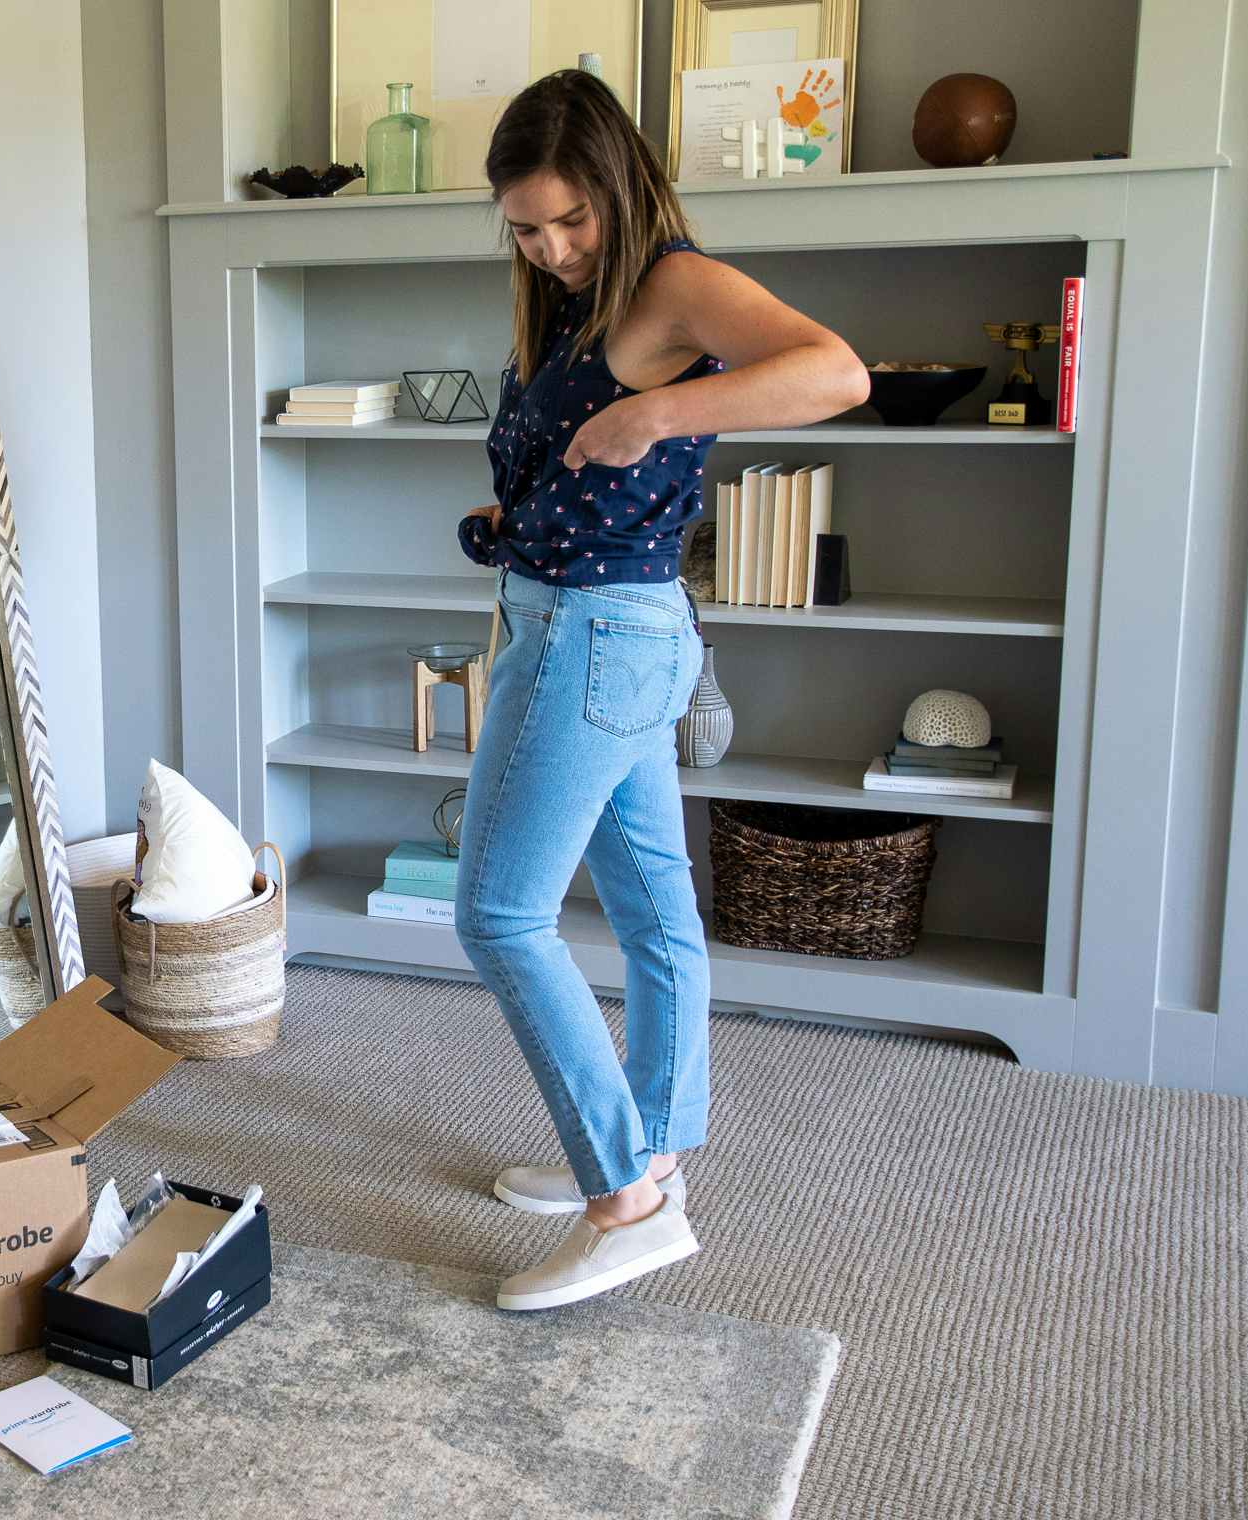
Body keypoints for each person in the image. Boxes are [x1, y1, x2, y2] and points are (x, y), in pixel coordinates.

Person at [452, 71, 868, 1311]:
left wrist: (660, 412)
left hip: (595, 638)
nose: (551, 246)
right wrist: (513, 512)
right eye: (525, 226)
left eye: (570, 220)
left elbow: (834, 372)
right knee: (652, 910)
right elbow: (582, 473)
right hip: (609, 624)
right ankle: (651, 1150)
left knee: (498, 915)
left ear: (619, 190)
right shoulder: (561, 300)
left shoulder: (672, 283)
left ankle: (623, 1201)